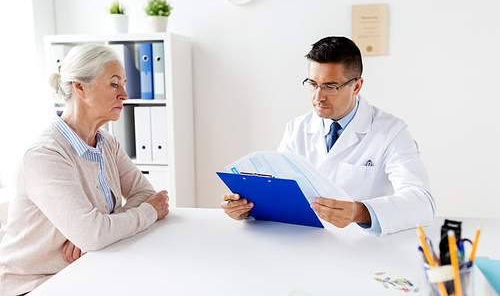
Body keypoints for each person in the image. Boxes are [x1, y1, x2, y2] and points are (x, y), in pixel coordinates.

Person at [221, 36, 435, 237]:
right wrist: (247, 209)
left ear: (357, 86)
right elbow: (280, 192)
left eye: (330, 87)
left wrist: (360, 212)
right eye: (313, 84)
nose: (318, 97)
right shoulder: (297, 128)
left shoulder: (391, 131)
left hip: (360, 248)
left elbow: (422, 202)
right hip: (303, 242)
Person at [0, 44, 170, 295]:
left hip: (88, 268)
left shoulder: (107, 143)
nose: (124, 93)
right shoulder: (45, 154)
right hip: (34, 284)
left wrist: (99, 232)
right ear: (79, 86)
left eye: (123, 83)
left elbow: (145, 194)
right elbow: (96, 232)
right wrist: (97, 233)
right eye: (114, 84)